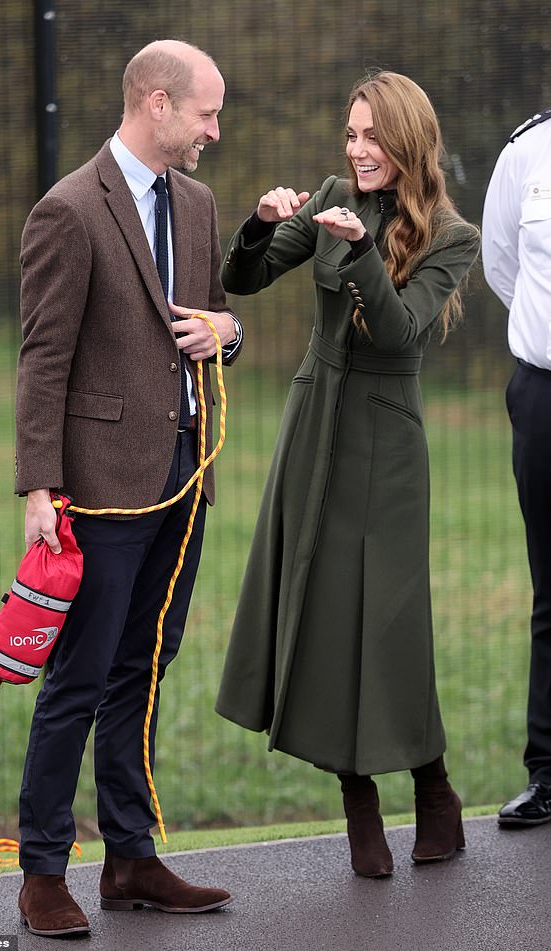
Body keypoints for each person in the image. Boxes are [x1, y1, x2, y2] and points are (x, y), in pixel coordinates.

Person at [215, 71, 480, 878]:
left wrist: (363, 249)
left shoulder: (450, 234)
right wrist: (261, 225)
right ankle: (356, 799)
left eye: (373, 138)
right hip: (315, 418)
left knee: (390, 624)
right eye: (352, 135)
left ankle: (433, 785)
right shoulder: (330, 194)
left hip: (387, 444)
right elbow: (245, 278)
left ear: (407, 143)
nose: (358, 151)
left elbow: (399, 336)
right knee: (323, 611)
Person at [14, 39, 242, 936]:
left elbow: (220, 321)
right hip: (99, 491)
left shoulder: (197, 203)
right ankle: (41, 871)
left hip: (184, 480)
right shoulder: (68, 211)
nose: (214, 131)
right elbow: (43, 361)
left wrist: (224, 329)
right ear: (156, 103)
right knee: (78, 677)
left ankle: (132, 860)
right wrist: (41, 487)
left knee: (143, 670)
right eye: (205, 112)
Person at [482, 108, 551, 828]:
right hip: (545, 392)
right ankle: (550, 771)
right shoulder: (529, 149)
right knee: (550, 589)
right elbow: (504, 264)